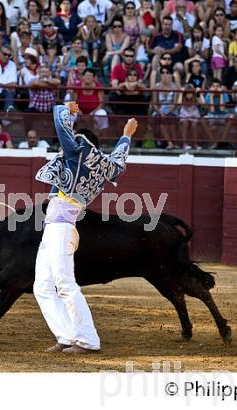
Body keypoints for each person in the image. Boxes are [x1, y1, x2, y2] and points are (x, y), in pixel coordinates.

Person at [33, 102, 137, 354]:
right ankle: (67, 336)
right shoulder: (102, 165)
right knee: (42, 286)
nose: (67, 145)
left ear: (81, 142)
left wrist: (68, 112)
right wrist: (126, 135)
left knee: (64, 284)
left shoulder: (77, 151)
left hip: (61, 228)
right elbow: (118, 161)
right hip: (58, 227)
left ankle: (88, 340)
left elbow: (61, 127)